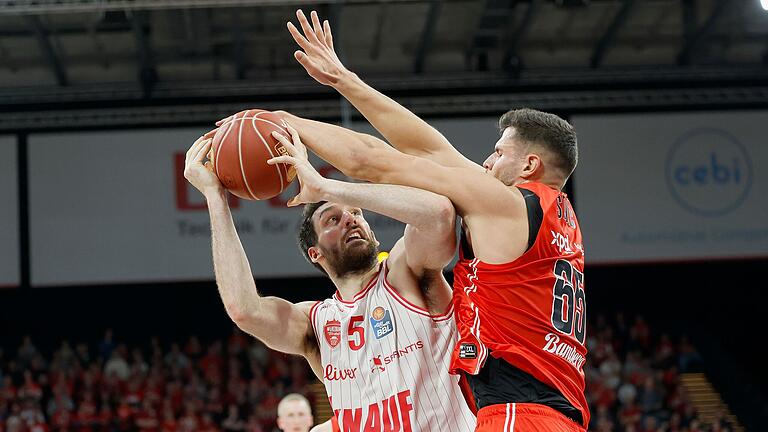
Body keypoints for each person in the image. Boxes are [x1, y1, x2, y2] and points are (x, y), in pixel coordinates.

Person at [281, 9, 590, 431]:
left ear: (529, 164)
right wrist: (342, 80)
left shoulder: (505, 205)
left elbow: (373, 161)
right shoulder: (549, 214)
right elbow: (429, 149)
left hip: (519, 414)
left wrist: (281, 124)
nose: (485, 160)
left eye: (499, 153)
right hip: (555, 412)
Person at [183, 124, 475, 431]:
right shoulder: (315, 324)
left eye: (357, 213)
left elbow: (439, 215)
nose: (350, 219)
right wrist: (216, 198)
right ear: (315, 253)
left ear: (373, 234)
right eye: (333, 219)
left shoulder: (405, 273)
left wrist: (328, 189)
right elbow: (244, 309)